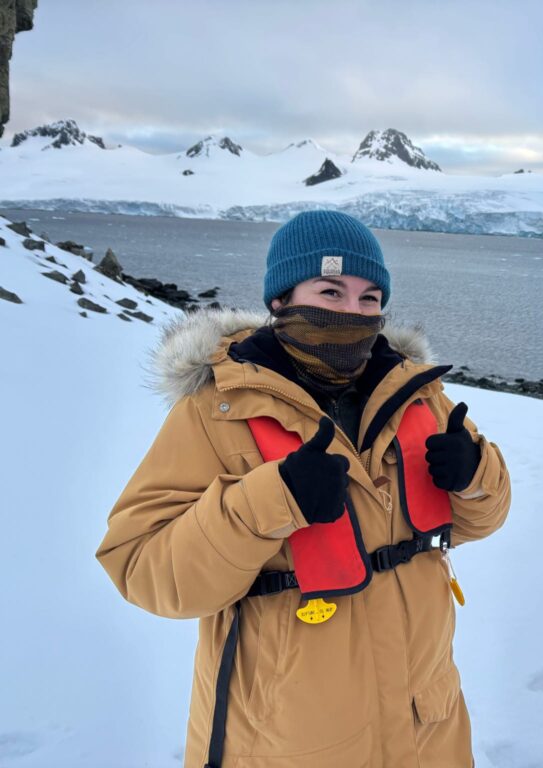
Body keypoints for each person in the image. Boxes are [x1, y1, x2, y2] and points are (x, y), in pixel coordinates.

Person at [96, 210, 512, 768]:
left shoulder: (416, 394)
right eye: (331, 291)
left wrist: (474, 477)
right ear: (281, 300)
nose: (352, 311)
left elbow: (480, 520)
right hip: (288, 739)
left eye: (369, 298)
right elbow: (143, 568)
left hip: (425, 725)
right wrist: (271, 501)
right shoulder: (216, 408)